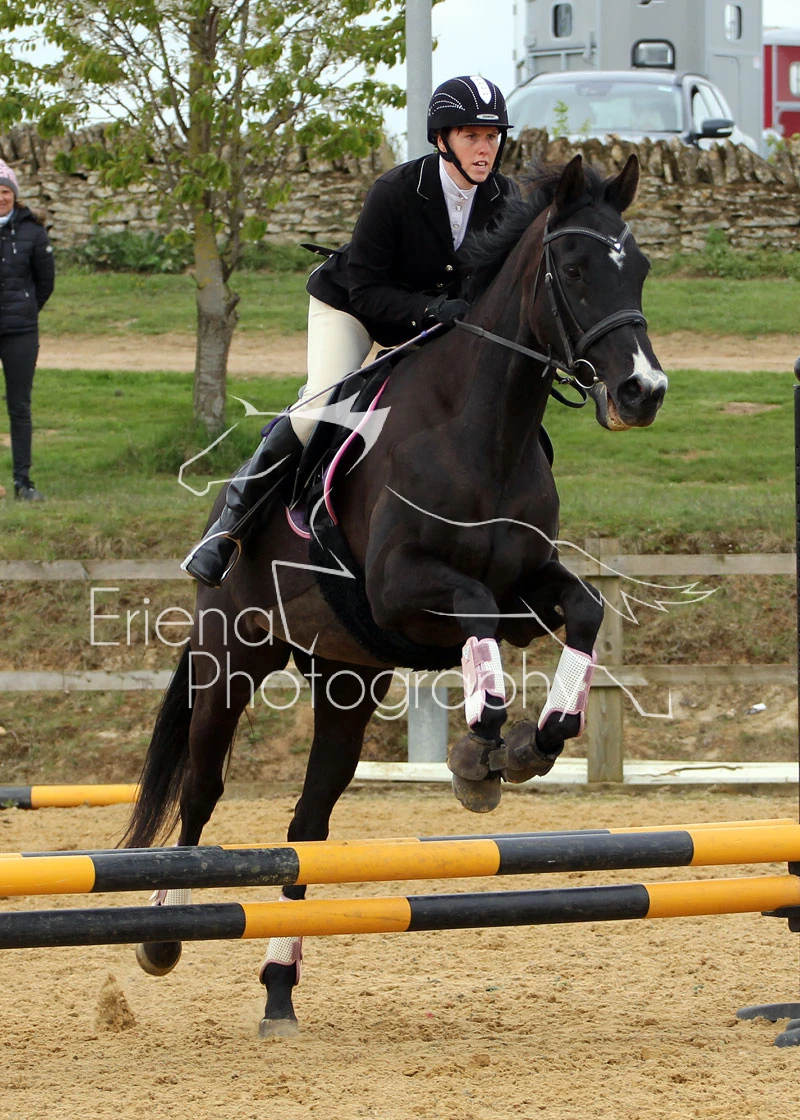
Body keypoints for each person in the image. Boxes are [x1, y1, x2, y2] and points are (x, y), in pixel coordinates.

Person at [183, 75, 518, 587]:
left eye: (492, 137)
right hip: (355, 309)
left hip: (438, 321)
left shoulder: (505, 198)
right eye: (471, 135)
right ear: (441, 139)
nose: (485, 148)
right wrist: (432, 309)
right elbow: (366, 291)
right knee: (321, 405)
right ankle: (229, 526)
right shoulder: (395, 191)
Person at [0, 159, 55, 501]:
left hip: (20, 332)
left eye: (5, 191)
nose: (0, 198)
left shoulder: (33, 231)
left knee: (19, 406)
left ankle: (23, 481)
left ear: (14, 194)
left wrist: (25, 310)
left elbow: (45, 282)